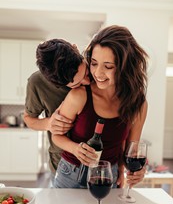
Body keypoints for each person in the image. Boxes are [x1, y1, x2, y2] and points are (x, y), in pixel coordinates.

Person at [51, 25, 148, 188]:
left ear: (125, 67)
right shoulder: (79, 95)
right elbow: (56, 136)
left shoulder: (138, 103)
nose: (98, 73)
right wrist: (75, 149)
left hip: (109, 177)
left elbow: (131, 150)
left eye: (108, 66)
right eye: (94, 63)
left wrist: (136, 171)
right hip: (71, 175)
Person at [24, 38, 90, 180]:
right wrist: (48, 123)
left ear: (75, 48)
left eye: (85, 73)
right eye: (76, 84)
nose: (88, 82)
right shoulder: (37, 83)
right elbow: (29, 119)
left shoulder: (96, 65)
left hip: (100, 160)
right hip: (61, 163)